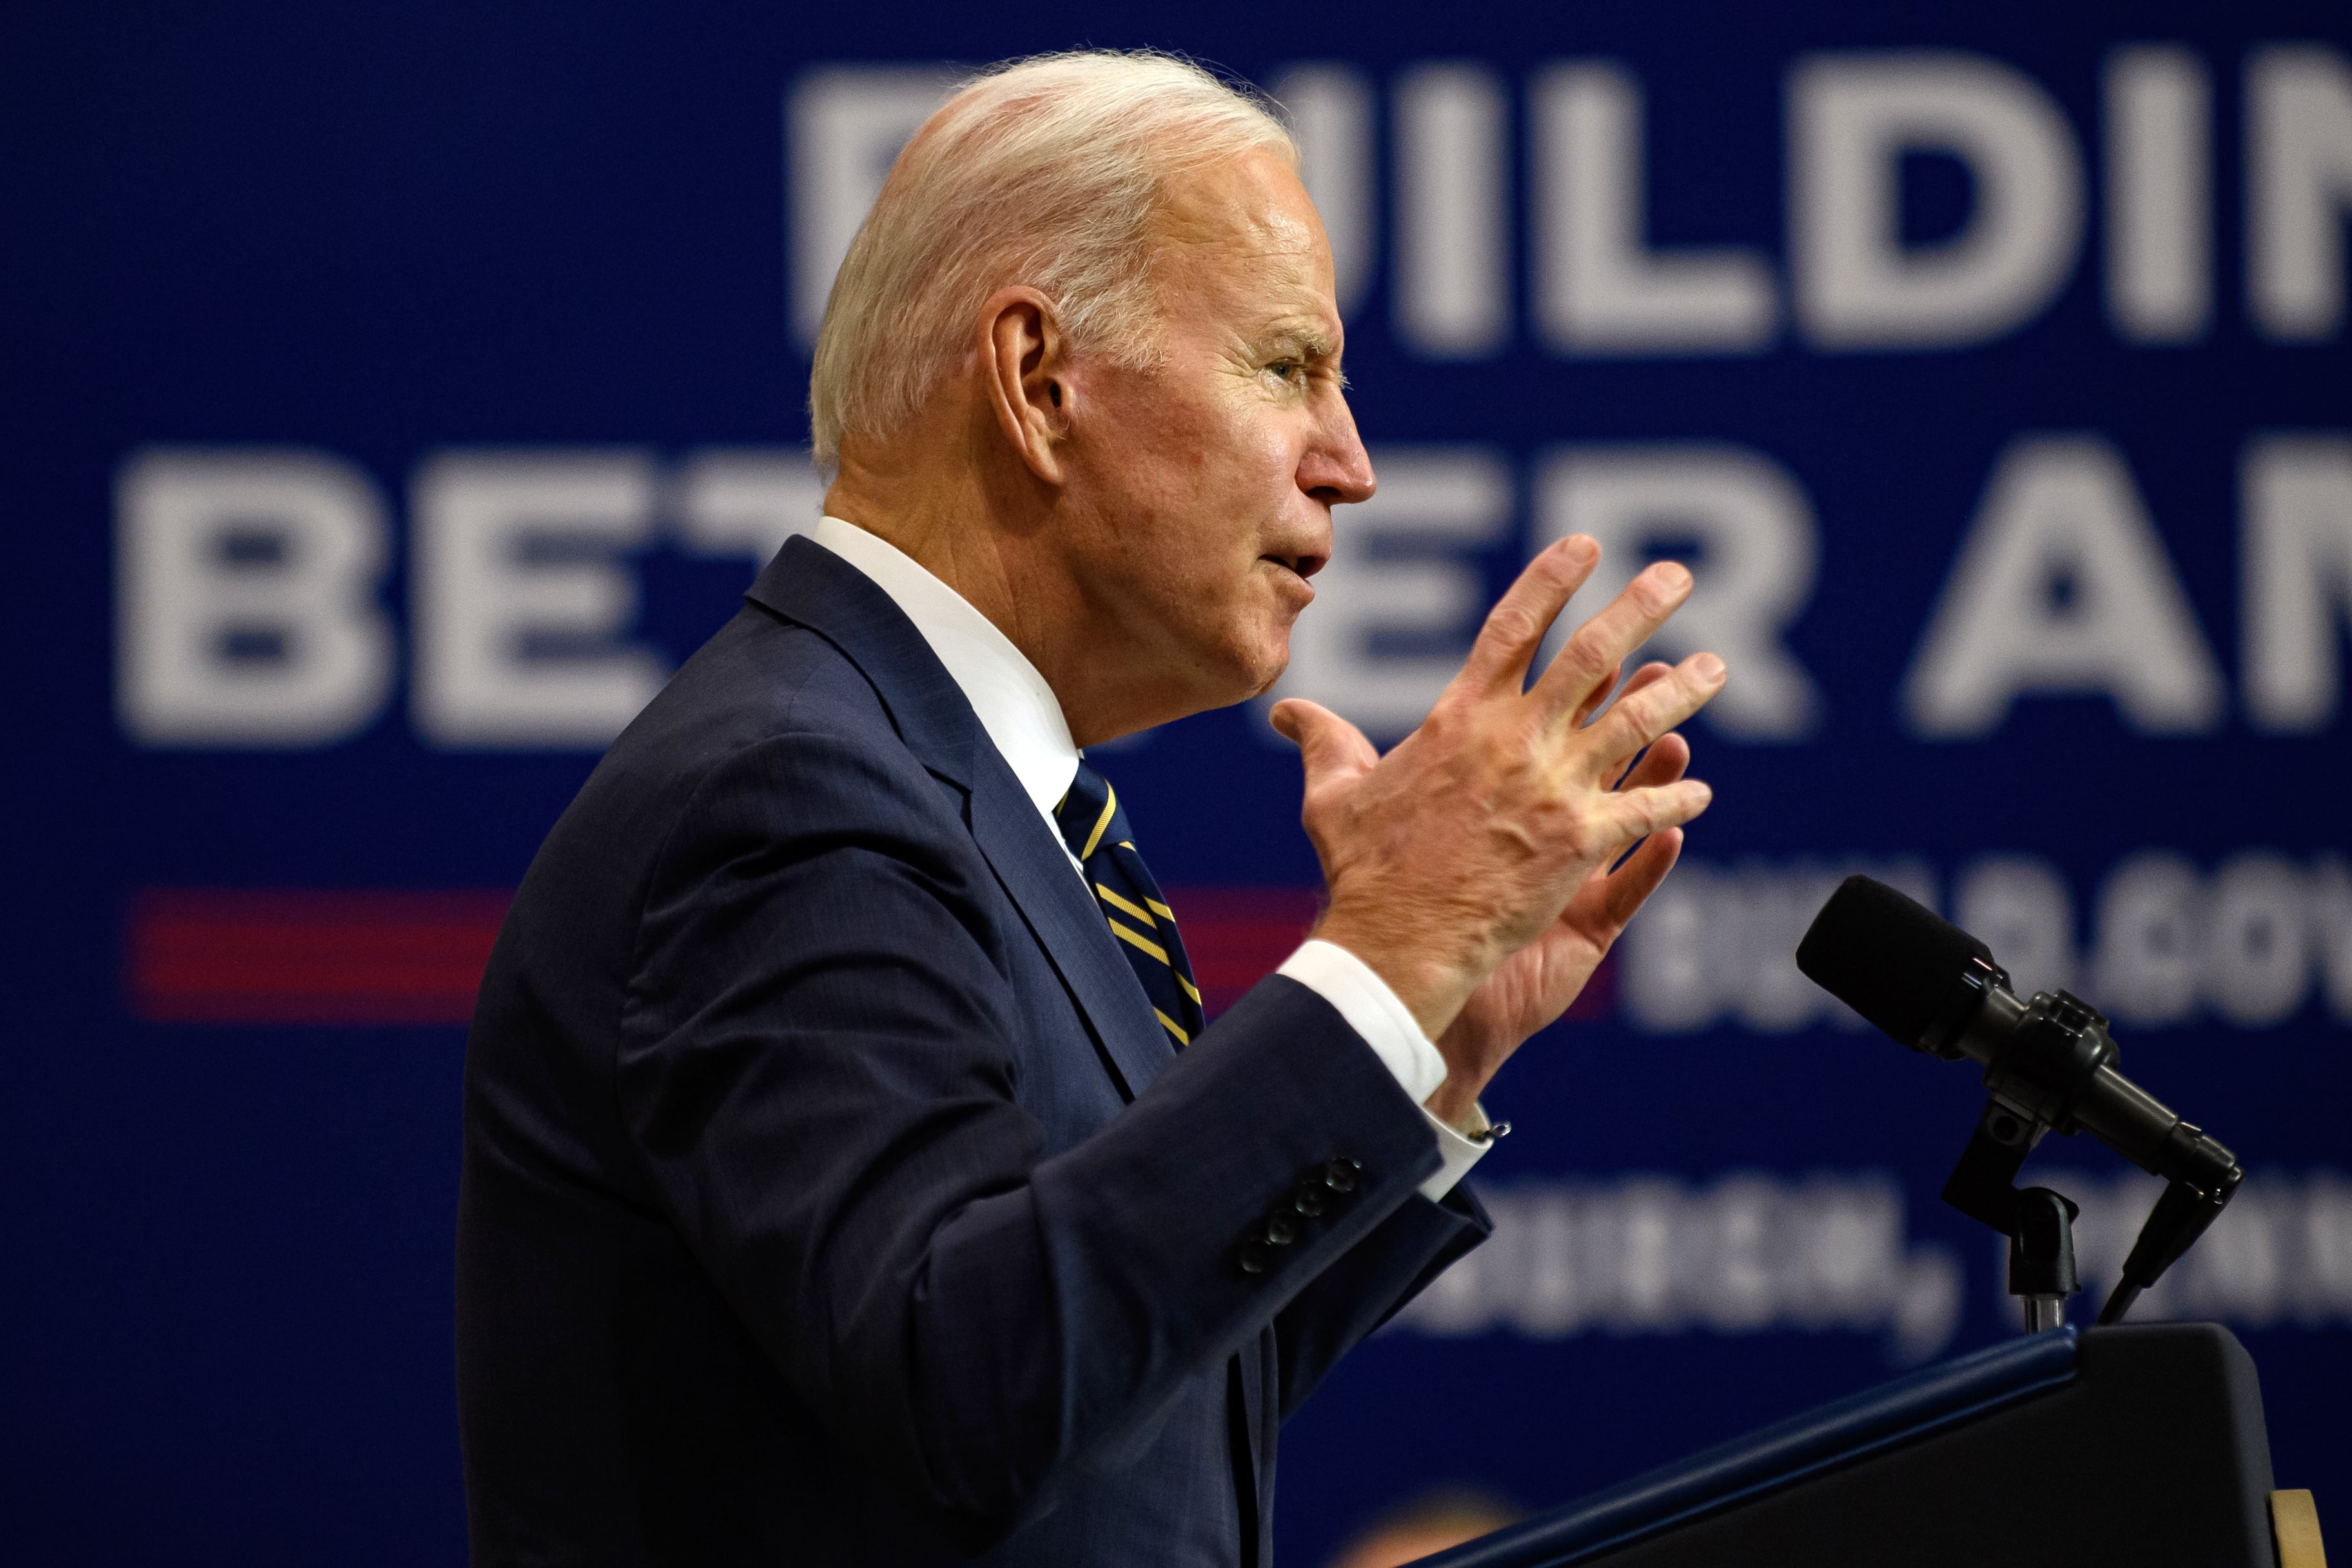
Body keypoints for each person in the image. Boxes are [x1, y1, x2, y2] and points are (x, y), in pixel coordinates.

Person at [453, 49, 1726, 1567]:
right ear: (1040, 379)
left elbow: (1124, 1404)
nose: (1354, 463)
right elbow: (970, 1376)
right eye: (1287, 367)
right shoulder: (788, 794)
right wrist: (1383, 950)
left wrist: (1424, 1043)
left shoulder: (965, 792)